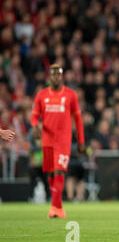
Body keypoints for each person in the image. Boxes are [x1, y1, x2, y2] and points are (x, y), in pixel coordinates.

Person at [31, 64, 85, 218]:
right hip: (47, 141)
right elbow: (35, 116)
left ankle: (54, 207)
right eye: (53, 74)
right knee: (50, 174)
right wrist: (35, 126)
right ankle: (58, 207)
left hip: (63, 141)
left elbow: (78, 119)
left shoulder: (70, 95)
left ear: (61, 76)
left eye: (58, 74)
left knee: (59, 171)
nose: (55, 77)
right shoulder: (41, 95)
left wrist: (81, 141)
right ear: (49, 76)